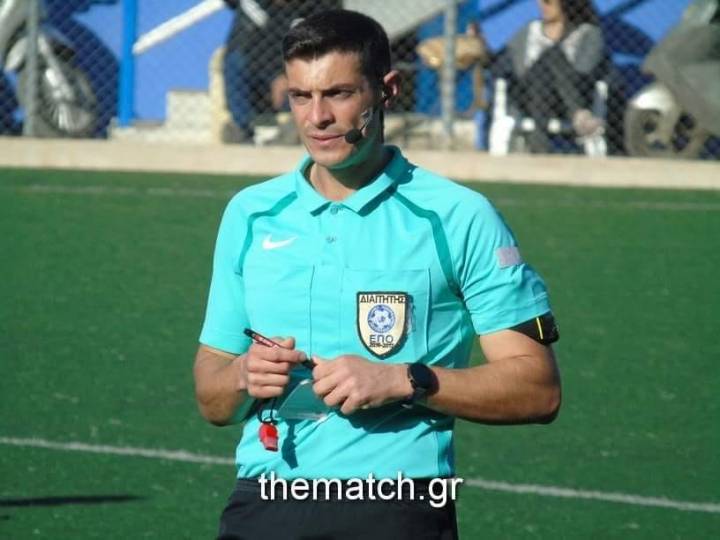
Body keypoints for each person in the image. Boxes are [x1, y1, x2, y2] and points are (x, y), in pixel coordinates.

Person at [194, 9, 561, 539]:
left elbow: (537, 389)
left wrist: (405, 380)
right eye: (300, 96)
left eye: (339, 94)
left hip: (396, 503)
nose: (317, 117)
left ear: (387, 90)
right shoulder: (250, 215)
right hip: (264, 500)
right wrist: (240, 376)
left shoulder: (458, 217)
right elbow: (211, 397)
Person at [495, 0, 608, 152]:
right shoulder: (530, 30)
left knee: (552, 59)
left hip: (562, 101)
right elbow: (506, 64)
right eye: (540, 1)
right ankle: (578, 113)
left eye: (548, 1)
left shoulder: (587, 33)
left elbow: (584, 72)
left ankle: (539, 142)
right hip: (527, 97)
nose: (542, 5)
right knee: (546, 63)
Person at [221, 0, 337, 143]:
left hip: (297, 79)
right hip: (258, 75)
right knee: (236, 59)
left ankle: (296, 126)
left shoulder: (318, 8)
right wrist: (276, 75)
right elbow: (251, 50)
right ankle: (241, 128)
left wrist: (286, 75)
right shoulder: (252, 6)